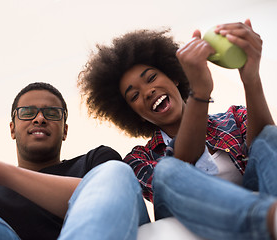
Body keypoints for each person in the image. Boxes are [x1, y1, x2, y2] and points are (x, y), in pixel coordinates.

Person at [78, 19, 277, 240]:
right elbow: (181, 165)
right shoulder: (138, 159)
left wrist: (251, 78)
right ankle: (268, 219)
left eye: (151, 78)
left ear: (174, 76)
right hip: (194, 222)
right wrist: (200, 93)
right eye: (134, 96)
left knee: (269, 135)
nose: (148, 91)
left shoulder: (234, 118)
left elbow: (268, 148)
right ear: (134, 114)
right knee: (167, 169)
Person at [0, 81, 150, 240]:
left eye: (51, 113)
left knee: (116, 173)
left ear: (65, 131)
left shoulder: (93, 161)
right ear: (12, 129)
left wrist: (0, 171)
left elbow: (112, 195)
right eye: (28, 112)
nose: (39, 118)